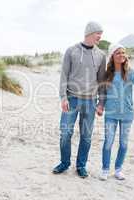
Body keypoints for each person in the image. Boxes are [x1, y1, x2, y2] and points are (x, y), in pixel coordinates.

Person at [52, 21, 106, 178]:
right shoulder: (71, 51)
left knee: (86, 136)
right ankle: (64, 162)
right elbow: (64, 76)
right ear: (89, 32)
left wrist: (101, 103)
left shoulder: (101, 55)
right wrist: (63, 97)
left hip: (90, 101)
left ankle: (81, 166)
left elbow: (102, 81)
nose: (100, 37)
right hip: (72, 99)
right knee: (65, 133)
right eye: (98, 34)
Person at [99, 44, 134, 181]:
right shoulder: (107, 74)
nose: (121, 55)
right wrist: (100, 105)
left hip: (127, 113)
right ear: (112, 56)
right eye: (118, 53)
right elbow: (102, 93)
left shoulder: (130, 72)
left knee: (124, 143)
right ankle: (105, 169)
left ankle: (118, 169)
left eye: (123, 52)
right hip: (111, 114)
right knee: (108, 141)